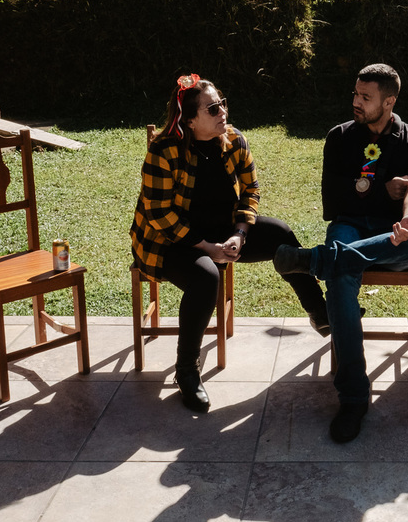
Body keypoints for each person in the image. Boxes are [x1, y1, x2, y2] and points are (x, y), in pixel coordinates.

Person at [273, 63, 408, 443]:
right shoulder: (339, 137)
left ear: (389, 101)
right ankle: (353, 398)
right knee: (341, 277)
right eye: (355, 94)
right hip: (350, 226)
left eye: (365, 97)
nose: (356, 102)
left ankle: (313, 260)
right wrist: (382, 190)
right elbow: (333, 199)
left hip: (396, 235)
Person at [131, 74, 308, 413]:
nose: (222, 112)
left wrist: (239, 234)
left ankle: (320, 311)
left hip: (222, 232)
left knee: (280, 234)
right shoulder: (164, 150)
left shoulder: (234, 140)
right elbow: (158, 215)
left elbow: (251, 191)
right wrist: (207, 248)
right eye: (213, 109)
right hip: (168, 242)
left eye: (222, 103)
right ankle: (187, 371)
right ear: (190, 119)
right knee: (206, 277)